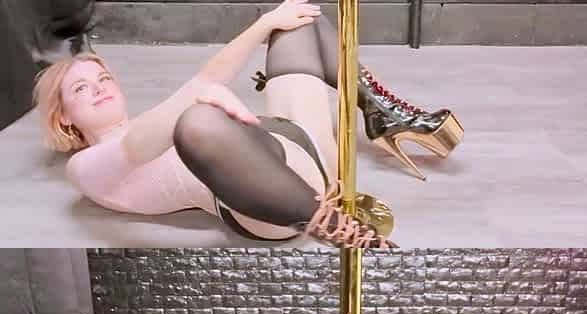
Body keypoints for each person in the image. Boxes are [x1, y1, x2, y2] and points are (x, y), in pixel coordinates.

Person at [32, 0, 463, 247]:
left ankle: (383, 114)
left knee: (300, 18)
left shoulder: (155, 116)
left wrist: (265, 23)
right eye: (81, 88)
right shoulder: (85, 168)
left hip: (298, 143)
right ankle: (349, 235)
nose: (99, 88)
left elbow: (206, 79)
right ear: (63, 116)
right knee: (197, 124)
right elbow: (136, 147)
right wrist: (199, 100)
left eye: (103, 78)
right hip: (272, 203)